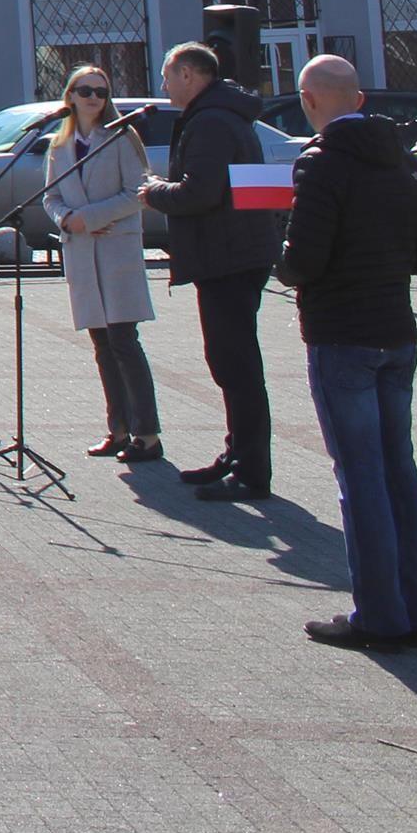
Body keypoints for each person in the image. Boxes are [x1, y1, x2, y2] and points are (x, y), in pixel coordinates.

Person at [274, 54, 417, 650]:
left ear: (308, 100)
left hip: (343, 333)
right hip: (397, 332)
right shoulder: (404, 160)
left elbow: (305, 260)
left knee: (361, 476)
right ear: (361, 99)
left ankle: (379, 616)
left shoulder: (320, 164)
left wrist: (281, 260)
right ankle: (413, 609)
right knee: (400, 471)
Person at [141, 40, 285, 502]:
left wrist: (155, 192)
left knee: (236, 365)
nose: (163, 86)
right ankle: (237, 453)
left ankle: (251, 470)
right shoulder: (221, 115)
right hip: (233, 253)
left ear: (189, 75)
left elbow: (201, 193)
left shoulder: (212, 122)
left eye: (168, 76)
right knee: (229, 362)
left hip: (230, 257)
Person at [42, 66, 161, 462]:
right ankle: (119, 430)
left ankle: (148, 434)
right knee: (102, 345)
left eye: (102, 91)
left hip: (115, 250)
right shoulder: (59, 144)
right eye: (86, 90)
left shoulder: (122, 138)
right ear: (71, 96)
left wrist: (89, 217)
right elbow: (50, 196)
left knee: (124, 341)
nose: (95, 97)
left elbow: (137, 192)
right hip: (80, 252)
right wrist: (64, 219)